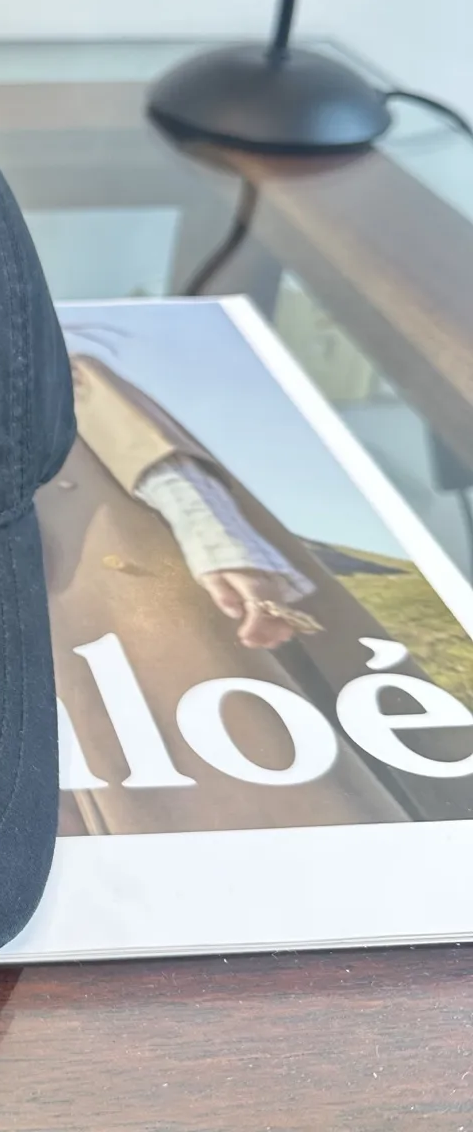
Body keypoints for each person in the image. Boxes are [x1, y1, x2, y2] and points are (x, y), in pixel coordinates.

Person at [42, 351, 465, 835]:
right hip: (34, 632)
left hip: (130, 595)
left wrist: (225, 549)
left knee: (244, 756)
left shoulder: (53, 373)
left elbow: (158, 459)